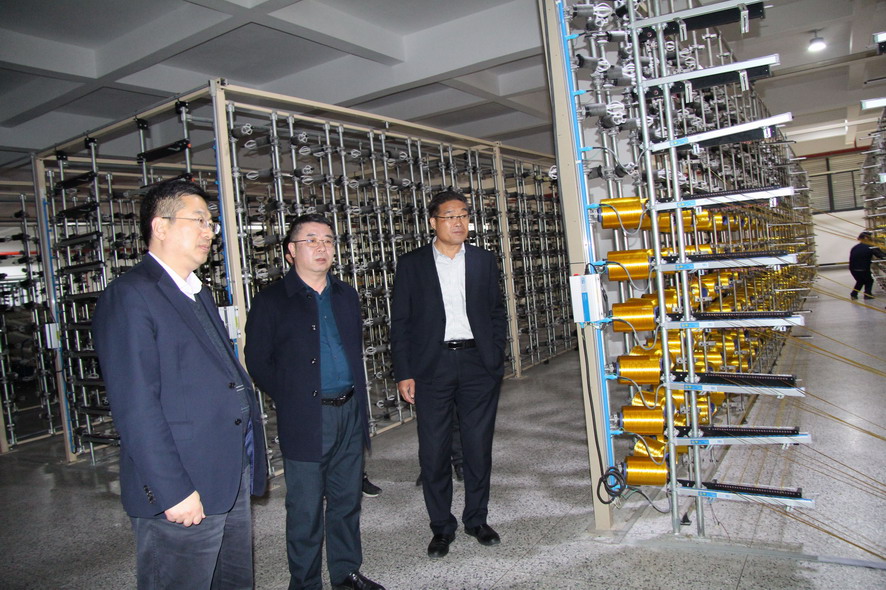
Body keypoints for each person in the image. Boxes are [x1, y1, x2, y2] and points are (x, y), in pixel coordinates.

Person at [92, 179, 268, 589]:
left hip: (227, 474)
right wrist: (172, 491)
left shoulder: (197, 292)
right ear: (161, 226)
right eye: (199, 221)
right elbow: (136, 407)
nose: (210, 232)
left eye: (211, 224)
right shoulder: (131, 296)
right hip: (185, 484)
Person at [245, 214, 384, 590]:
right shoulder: (272, 301)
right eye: (311, 240)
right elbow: (257, 360)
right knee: (305, 509)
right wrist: (293, 398)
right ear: (291, 251)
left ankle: (346, 572)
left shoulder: (345, 295)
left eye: (327, 240)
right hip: (307, 418)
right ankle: (305, 583)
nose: (322, 247)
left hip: (350, 411)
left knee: (346, 500)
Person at [390, 190, 507, 559]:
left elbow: (496, 311)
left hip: (477, 364)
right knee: (434, 449)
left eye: (464, 215)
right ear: (433, 222)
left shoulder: (484, 260)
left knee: (477, 446)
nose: (459, 222)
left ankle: (477, 519)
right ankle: (441, 526)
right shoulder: (413, 264)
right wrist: (404, 372)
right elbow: (401, 323)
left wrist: (495, 357)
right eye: (450, 216)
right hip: (432, 366)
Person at [849, 231, 885, 300]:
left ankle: (854, 294)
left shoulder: (855, 247)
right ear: (866, 238)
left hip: (853, 269)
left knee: (860, 281)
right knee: (869, 281)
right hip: (863, 268)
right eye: (870, 237)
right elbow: (881, 255)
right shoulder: (871, 247)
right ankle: (867, 295)